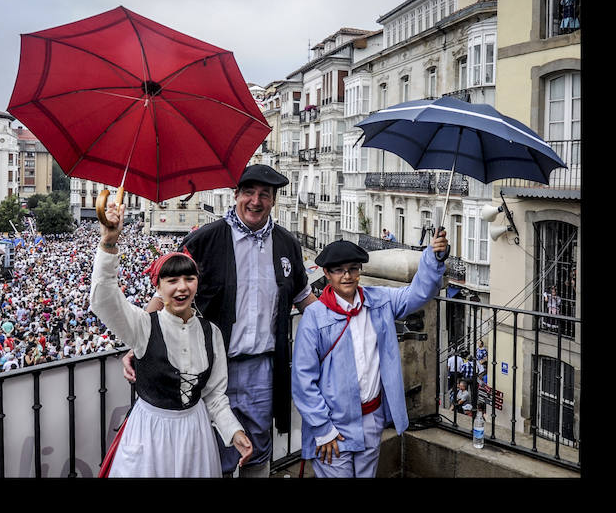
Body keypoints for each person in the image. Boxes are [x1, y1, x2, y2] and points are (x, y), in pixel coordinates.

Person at [124, 164, 316, 477]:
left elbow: (304, 297)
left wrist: (343, 323)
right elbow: (167, 291)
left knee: (257, 449)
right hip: (212, 366)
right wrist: (140, 340)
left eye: (264, 195)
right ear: (236, 194)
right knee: (212, 449)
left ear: (273, 201)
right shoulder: (205, 240)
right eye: (249, 193)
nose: (256, 201)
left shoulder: (286, 244)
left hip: (264, 370)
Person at [91, 200, 252, 477]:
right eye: (172, 281)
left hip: (195, 433)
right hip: (150, 432)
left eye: (189, 278)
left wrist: (233, 431)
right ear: (158, 287)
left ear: (197, 283)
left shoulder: (210, 333)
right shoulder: (143, 326)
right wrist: (109, 243)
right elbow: (104, 299)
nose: (182, 287)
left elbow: (214, 396)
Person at [292, 229, 449, 478]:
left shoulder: (379, 301)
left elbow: (417, 293)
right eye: (339, 270)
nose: (347, 276)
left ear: (360, 271)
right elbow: (303, 380)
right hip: (334, 428)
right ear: (326, 274)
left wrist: (433, 258)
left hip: (371, 421)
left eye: (353, 268)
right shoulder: (315, 317)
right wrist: (323, 429)